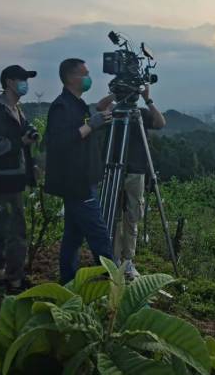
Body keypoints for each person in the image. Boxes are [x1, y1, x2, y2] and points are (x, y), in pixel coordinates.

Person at [44, 58, 115, 284]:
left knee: (73, 237)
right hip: (77, 183)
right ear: (71, 77)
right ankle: (113, 283)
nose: (88, 77)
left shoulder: (78, 104)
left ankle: (68, 282)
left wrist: (97, 122)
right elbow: (58, 142)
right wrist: (90, 125)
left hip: (83, 179)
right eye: (84, 73)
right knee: (99, 236)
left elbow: (83, 135)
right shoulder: (61, 106)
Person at [0, 65, 38, 294]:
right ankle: (14, 281)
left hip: (12, 177)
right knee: (16, 230)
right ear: (9, 82)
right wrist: (20, 142)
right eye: (22, 79)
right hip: (2, 180)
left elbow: (18, 137)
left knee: (5, 228)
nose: (25, 83)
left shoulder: (15, 109)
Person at [101, 84, 166, 279]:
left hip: (136, 171)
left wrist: (148, 99)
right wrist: (118, 93)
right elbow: (99, 107)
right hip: (113, 167)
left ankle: (128, 260)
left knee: (132, 216)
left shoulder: (142, 114)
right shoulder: (114, 110)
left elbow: (161, 123)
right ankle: (113, 260)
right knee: (114, 216)